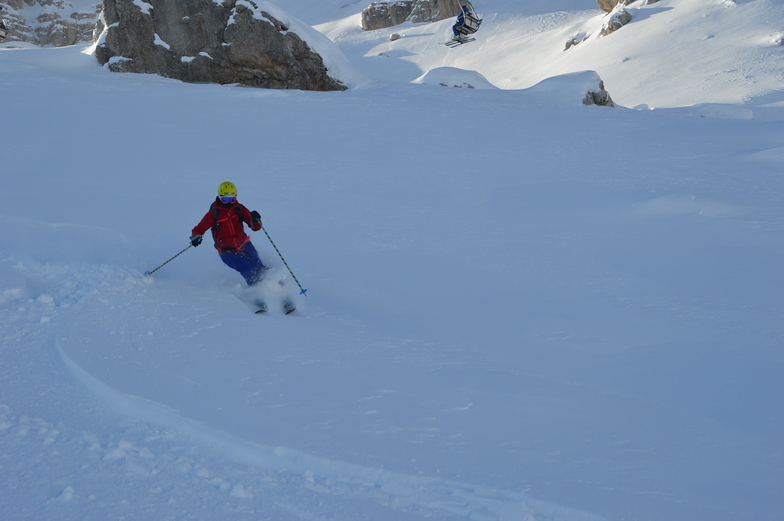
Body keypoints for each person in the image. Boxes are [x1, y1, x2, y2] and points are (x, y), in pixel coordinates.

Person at [190, 181, 268, 286]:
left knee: (259, 266)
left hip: (245, 245)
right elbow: (199, 228)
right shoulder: (214, 213)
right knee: (247, 268)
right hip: (227, 252)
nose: (229, 203)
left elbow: (255, 227)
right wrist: (196, 237)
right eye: (225, 199)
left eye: (232, 199)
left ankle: (274, 286)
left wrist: (256, 220)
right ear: (219, 197)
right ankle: (257, 292)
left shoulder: (239, 209)